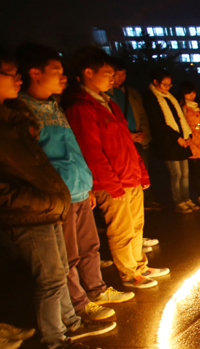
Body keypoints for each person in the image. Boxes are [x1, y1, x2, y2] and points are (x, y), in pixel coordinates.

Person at [0, 50, 115, 349]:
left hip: (56, 200)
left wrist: (81, 185)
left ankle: (71, 324)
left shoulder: (31, 112)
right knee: (51, 276)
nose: (18, 79)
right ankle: (56, 341)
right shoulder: (18, 115)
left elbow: (54, 157)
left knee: (63, 265)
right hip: (33, 209)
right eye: (10, 74)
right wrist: (42, 198)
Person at [15, 44, 132, 322]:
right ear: (35, 73)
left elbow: (74, 148)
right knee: (68, 255)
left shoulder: (54, 106)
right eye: (57, 71)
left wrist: (87, 184)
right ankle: (79, 304)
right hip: (59, 194)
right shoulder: (23, 111)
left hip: (79, 188)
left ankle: (96, 289)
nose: (62, 76)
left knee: (89, 246)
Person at [62, 47, 167, 290]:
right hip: (112, 182)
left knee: (137, 226)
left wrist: (141, 171)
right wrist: (111, 183)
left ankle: (140, 265)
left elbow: (126, 142)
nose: (113, 78)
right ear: (88, 72)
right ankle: (129, 273)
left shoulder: (108, 102)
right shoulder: (81, 107)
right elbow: (91, 150)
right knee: (121, 230)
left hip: (129, 176)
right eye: (108, 73)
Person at [142, 69, 194, 213]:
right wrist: (176, 137)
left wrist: (186, 135)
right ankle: (178, 200)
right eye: (164, 85)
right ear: (155, 82)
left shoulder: (170, 97)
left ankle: (187, 197)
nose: (167, 88)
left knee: (185, 172)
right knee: (176, 173)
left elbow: (179, 118)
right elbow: (158, 122)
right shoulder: (152, 97)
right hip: (168, 141)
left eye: (169, 85)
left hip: (181, 138)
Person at [106, 57, 155, 209]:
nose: (120, 78)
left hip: (138, 139)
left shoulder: (131, 93)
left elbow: (142, 115)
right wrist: (128, 135)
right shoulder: (105, 96)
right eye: (116, 75)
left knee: (142, 169)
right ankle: (129, 204)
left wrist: (144, 133)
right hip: (122, 142)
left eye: (123, 74)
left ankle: (146, 200)